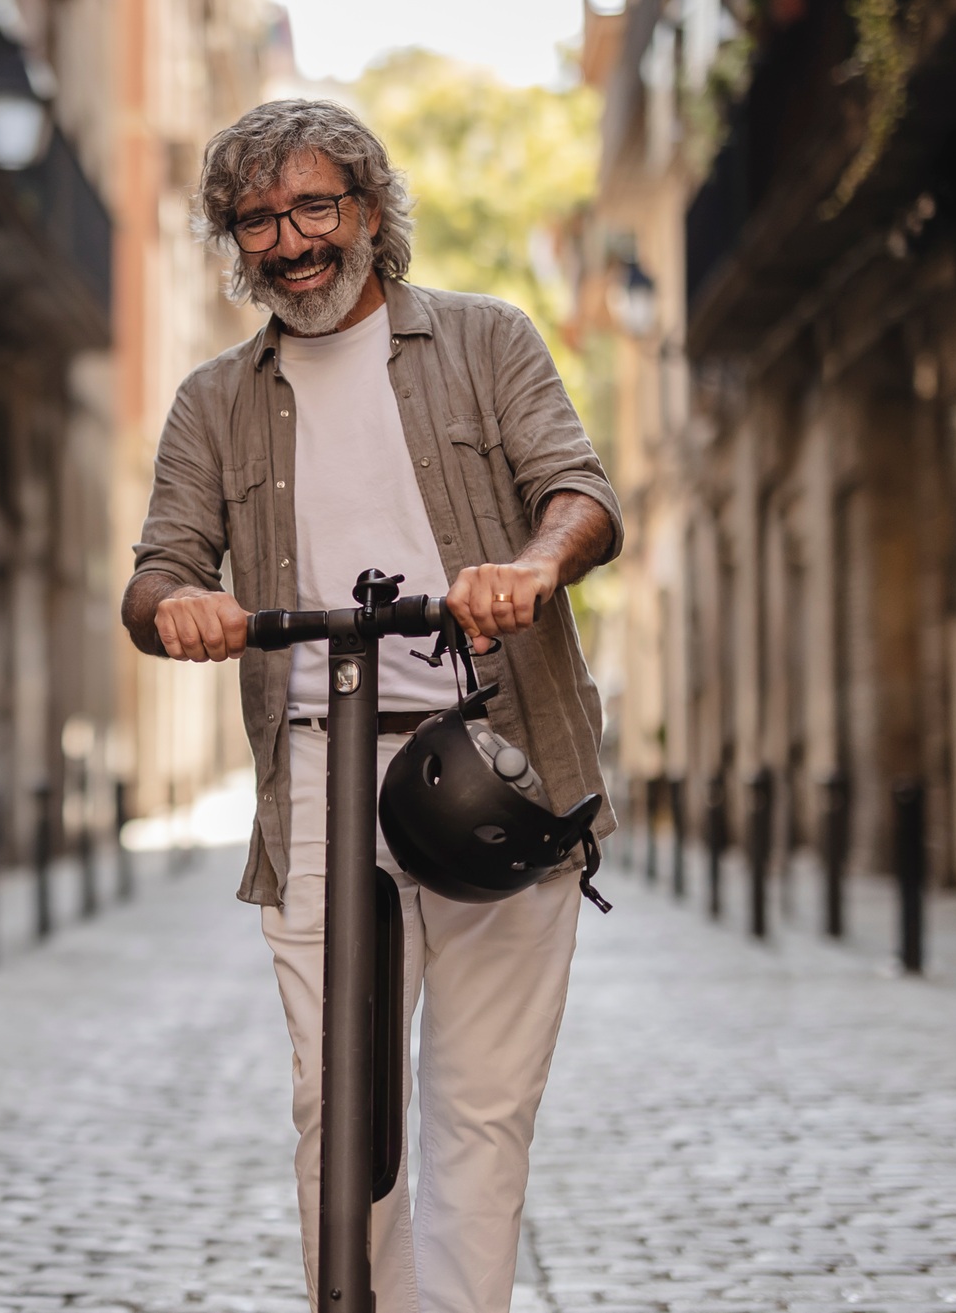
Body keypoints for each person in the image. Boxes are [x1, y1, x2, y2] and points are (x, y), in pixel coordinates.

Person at [120, 99, 621, 1313]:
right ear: (232, 243)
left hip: (495, 761)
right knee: (336, 1114)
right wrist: (176, 603)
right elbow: (155, 573)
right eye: (255, 221)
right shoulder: (212, 399)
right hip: (315, 780)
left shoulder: (485, 340)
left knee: (479, 1111)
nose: (288, 241)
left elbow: (579, 494)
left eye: (312, 207)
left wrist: (531, 567)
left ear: (368, 210)